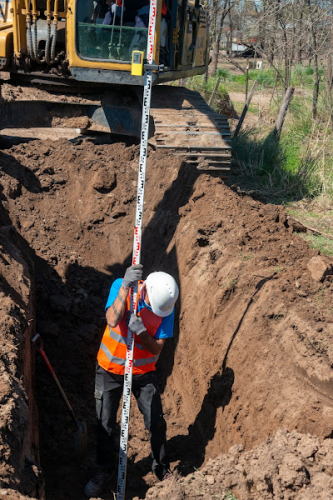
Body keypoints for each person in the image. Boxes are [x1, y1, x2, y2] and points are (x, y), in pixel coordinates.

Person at [85, 264, 179, 498]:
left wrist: (142, 332)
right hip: (110, 370)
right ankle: (104, 469)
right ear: (144, 289)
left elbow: (157, 347)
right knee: (105, 423)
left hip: (144, 373)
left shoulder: (166, 306)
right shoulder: (123, 286)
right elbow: (111, 319)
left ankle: (160, 466)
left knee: (156, 421)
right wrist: (125, 287)